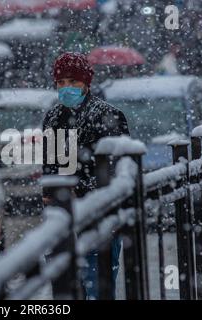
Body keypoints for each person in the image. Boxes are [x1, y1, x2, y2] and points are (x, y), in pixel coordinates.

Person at [42, 52, 130, 299]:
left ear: (86, 83)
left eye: (73, 82)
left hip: (98, 218)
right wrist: (51, 193)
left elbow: (114, 171)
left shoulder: (107, 116)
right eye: (61, 83)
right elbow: (52, 164)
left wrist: (79, 188)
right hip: (63, 221)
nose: (66, 88)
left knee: (95, 287)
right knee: (66, 289)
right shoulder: (54, 117)